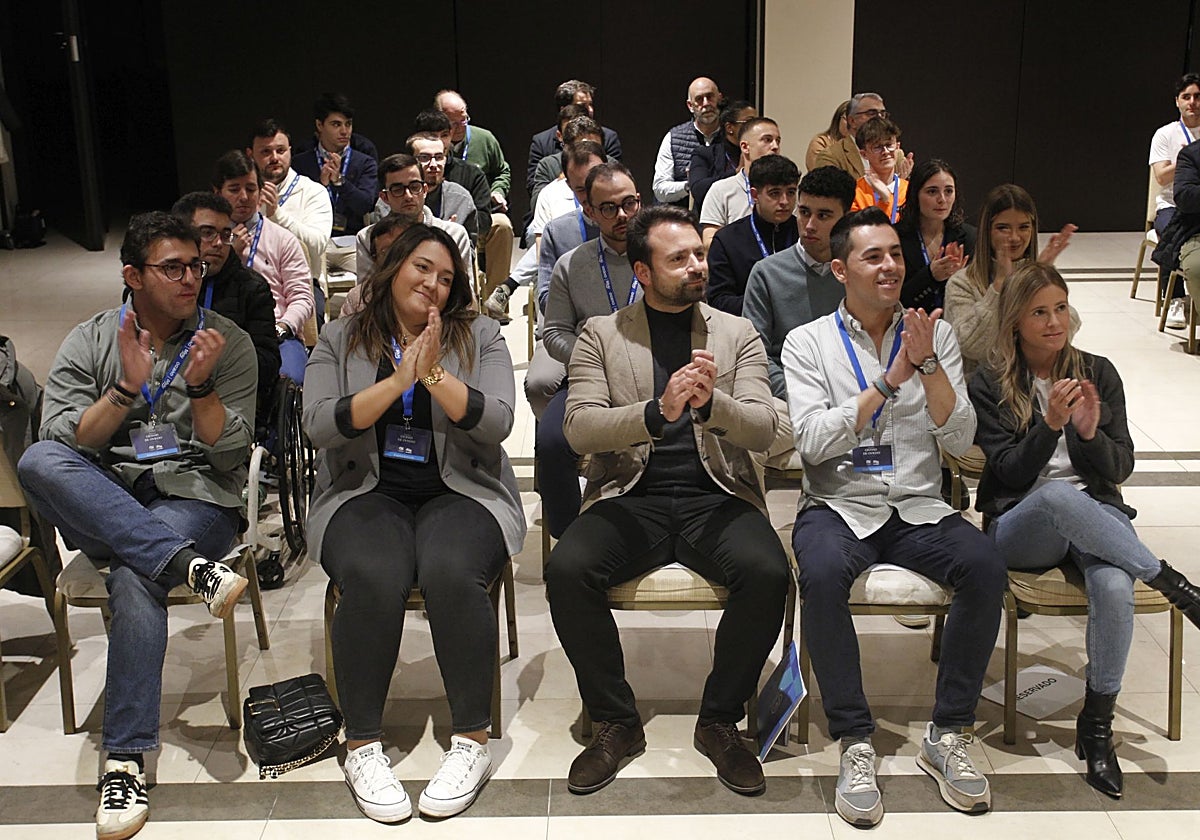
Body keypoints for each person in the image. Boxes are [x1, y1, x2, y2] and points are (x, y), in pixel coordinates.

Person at [17, 212, 256, 840]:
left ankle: (122, 760)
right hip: (108, 496)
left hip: (196, 499)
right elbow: (65, 445)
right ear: (133, 275)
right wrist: (125, 390)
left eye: (196, 267)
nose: (189, 278)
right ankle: (186, 569)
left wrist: (200, 388)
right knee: (38, 459)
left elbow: (231, 455)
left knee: (132, 575)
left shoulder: (224, 340)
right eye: (172, 268)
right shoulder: (91, 340)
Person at [546, 204, 790, 797]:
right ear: (643, 270)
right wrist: (658, 412)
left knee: (767, 571)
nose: (695, 266)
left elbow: (773, 431)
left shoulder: (737, 334)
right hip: (632, 494)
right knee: (567, 568)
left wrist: (712, 407)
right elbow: (578, 428)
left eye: (699, 254)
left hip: (718, 493)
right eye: (678, 258)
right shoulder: (602, 334)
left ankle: (720, 721)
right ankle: (616, 722)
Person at [782, 208, 1006, 827]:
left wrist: (928, 365)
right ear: (839, 269)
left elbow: (960, 438)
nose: (890, 266)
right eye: (872, 256)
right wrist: (886, 381)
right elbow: (809, 441)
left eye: (895, 255)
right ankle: (855, 741)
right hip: (838, 502)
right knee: (821, 574)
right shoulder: (808, 343)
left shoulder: (936, 335)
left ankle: (948, 731)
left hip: (917, 504)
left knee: (986, 565)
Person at [304, 224, 525, 823]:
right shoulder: (340, 337)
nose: (434, 283)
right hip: (362, 492)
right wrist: (398, 381)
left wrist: (431, 374)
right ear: (394, 267)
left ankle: (472, 743)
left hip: (463, 490)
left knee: (453, 571)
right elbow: (320, 426)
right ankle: (363, 745)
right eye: (423, 268)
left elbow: (498, 422)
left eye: (447, 277)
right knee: (374, 575)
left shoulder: (479, 335)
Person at [968, 262, 1200, 798]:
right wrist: (1050, 427)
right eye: (1040, 312)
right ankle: (1166, 578)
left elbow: (1119, 470)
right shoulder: (992, 381)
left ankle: (1096, 728)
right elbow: (1007, 473)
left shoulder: (1099, 372)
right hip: (1023, 522)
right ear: (1015, 322)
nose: (1055, 322)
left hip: (1095, 514)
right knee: (1054, 495)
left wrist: (1091, 436)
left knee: (1114, 585)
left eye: (1061, 308)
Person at [539, 162, 642, 539]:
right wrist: (592, 361)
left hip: (654, 380)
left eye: (629, 204)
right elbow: (554, 333)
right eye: (609, 208)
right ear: (589, 211)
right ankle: (568, 538)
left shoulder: (662, 258)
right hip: (588, 379)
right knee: (550, 443)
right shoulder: (572, 264)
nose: (622, 215)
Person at [743, 165, 856, 466]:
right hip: (787, 400)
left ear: (845, 218)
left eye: (823, 216)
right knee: (745, 434)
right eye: (804, 212)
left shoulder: (859, 273)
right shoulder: (767, 273)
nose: (809, 225)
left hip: (849, 398)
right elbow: (756, 356)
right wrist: (802, 396)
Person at [171, 191, 281, 429]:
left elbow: (268, 362)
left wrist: (210, 370)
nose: (219, 243)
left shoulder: (252, 287)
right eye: (208, 233)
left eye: (225, 234)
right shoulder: (162, 286)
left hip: (230, 400)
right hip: (167, 399)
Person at [944, 184, 1077, 375]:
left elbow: (1062, 335)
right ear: (986, 231)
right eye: (1003, 228)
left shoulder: (1039, 278)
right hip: (980, 392)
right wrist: (999, 286)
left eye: (1023, 227)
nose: (1015, 238)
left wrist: (1040, 276)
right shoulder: (962, 283)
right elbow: (972, 347)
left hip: (1035, 385)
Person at [212, 150, 314, 383]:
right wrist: (230, 257)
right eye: (234, 189)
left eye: (250, 188)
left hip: (276, 334)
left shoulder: (282, 239)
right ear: (217, 193)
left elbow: (302, 298)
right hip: (220, 333)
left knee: (290, 381)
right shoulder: (208, 243)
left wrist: (282, 327)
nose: (244, 197)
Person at [524, 142, 606, 419]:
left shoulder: (633, 227)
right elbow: (545, 297)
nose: (590, 194)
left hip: (625, 332)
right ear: (569, 187)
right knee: (539, 384)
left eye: (595, 181)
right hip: (567, 330)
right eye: (581, 188)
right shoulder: (557, 231)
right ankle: (564, 436)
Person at [435, 89, 515, 298]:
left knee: (503, 225)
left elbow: (502, 171)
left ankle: (495, 299)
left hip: (481, 213)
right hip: (440, 216)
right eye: (453, 124)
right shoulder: (429, 146)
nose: (461, 127)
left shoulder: (484, 138)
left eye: (464, 120)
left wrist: (497, 191)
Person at [292, 93, 380, 272]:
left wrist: (340, 182)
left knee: (372, 282)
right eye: (336, 124)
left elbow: (365, 205)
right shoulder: (299, 163)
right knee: (310, 279)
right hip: (314, 243)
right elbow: (295, 208)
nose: (344, 131)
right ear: (319, 125)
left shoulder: (364, 162)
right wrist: (321, 186)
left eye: (348, 124)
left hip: (351, 242)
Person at [246, 119, 333, 295]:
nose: (275, 158)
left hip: (303, 284)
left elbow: (317, 246)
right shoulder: (242, 196)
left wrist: (277, 215)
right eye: (265, 152)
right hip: (250, 286)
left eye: (281, 150)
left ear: (290, 151)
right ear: (250, 155)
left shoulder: (313, 191)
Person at [706, 153, 800, 315]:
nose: (784, 201)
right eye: (775, 193)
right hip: (748, 329)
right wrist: (767, 302)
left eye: (791, 192)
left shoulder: (804, 233)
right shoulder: (727, 240)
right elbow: (718, 300)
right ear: (755, 195)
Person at [354, 153, 473, 279]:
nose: (408, 196)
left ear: (425, 190)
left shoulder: (454, 234)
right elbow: (365, 293)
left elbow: (465, 292)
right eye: (398, 189)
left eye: (415, 187)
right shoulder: (368, 238)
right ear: (384, 197)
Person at [1148, 73, 1200, 327]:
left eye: (1198, 97)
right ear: (1177, 101)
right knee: (1172, 234)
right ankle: (1175, 299)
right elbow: (1160, 176)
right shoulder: (1165, 134)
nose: (1192, 102)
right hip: (1172, 205)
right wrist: (1189, 159)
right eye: (1186, 97)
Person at [896, 159, 976, 312]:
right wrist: (930, 276)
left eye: (948, 191)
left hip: (956, 327)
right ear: (915, 195)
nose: (942, 199)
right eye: (932, 191)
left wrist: (958, 280)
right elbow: (893, 298)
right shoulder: (896, 237)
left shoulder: (969, 237)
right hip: (908, 325)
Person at [527, 79, 622, 194]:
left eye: (591, 104)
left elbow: (616, 179)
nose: (590, 110)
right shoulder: (542, 144)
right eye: (583, 105)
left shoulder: (608, 136)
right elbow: (534, 188)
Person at [699, 117, 781, 246]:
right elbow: (709, 243)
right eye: (767, 140)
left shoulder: (787, 191)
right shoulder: (721, 190)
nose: (775, 147)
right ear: (745, 147)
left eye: (778, 141)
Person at [652, 76, 722, 208]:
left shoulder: (732, 136)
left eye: (710, 97)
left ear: (720, 98)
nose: (706, 103)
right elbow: (660, 189)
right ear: (690, 106)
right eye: (699, 99)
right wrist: (691, 185)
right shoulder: (673, 137)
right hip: (684, 219)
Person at [814, 92, 911, 180]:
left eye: (882, 114)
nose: (879, 118)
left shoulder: (896, 154)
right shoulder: (831, 157)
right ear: (852, 121)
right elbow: (831, 197)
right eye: (872, 113)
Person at [689, 99, 756, 212]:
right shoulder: (705, 154)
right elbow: (698, 189)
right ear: (730, 128)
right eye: (749, 122)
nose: (755, 128)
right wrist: (736, 173)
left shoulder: (759, 153)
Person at [408, 131, 478, 235]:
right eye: (424, 158)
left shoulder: (461, 199)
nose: (433, 164)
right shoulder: (393, 199)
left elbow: (470, 248)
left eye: (439, 157)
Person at [849, 117, 909, 218]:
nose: (885, 151)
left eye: (889, 145)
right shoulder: (854, 192)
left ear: (898, 147)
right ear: (864, 154)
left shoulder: (910, 190)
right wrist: (884, 200)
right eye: (877, 147)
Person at [806, 100, 850, 172]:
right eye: (847, 119)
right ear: (838, 118)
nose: (851, 124)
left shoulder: (861, 147)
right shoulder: (821, 142)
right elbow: (820, 173)